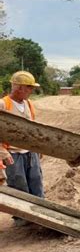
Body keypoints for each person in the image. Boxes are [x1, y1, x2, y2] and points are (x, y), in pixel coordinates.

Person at [0, 71, 43, 227]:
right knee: (19, 185)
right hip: (12, 154)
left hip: (30, 153)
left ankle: (41, 215)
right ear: (18, 87)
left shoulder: (29, 104)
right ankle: (21, 218)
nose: (31, 91)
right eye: (29, 88)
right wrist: (2, 152)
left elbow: (32, 129)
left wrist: (39, 148)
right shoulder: (4, 104)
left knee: (36, 182)